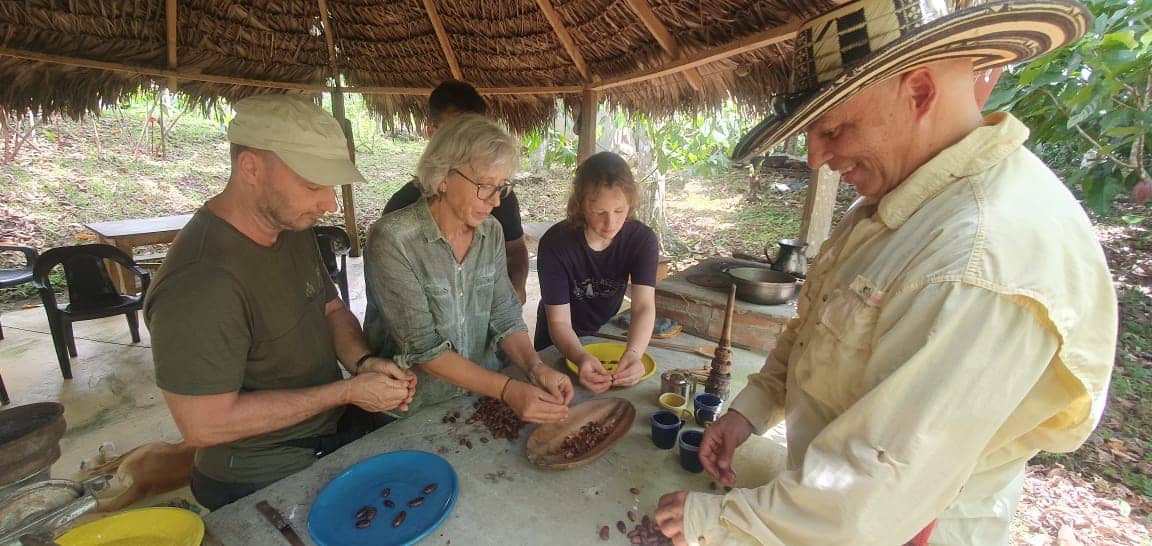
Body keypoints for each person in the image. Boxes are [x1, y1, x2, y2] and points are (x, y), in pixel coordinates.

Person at [655, 1, 1117, 545]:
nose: (815, 157)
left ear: (919, 93)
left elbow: (881, 483)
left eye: (835, 128)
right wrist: (750, 412)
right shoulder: (895, 200)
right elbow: (815, 328)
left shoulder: (980, 257)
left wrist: (722, 523)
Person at [144, 95, 416, 510]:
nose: (330, 203)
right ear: (250, 168)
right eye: (312, 185)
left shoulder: (290, 227)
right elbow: (202, 424)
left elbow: (330, 309)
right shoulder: (201, 282)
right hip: (261, 470)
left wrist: (362, 363)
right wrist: (345, 392)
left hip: (330, 430)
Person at [363, 114, 573, 421]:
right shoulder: (394, 239)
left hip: (478, 398)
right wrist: (508, 390)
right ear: (443, 177)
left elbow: (505, 314)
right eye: (485, 185)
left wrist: (535, 367)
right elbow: (424, 348)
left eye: (501, 187)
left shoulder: (491, 233)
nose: (495, 202)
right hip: (415, 407)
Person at [384, 80, 530, 304]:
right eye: (455, 136)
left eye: (475, 134)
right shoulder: (399, 215)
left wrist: (514, 290)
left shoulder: (496, 208)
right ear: (433, 135)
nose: (494, 200)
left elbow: (514, 251)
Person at [535, 151, 659, 393]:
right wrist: (580, 356)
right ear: (580, 205)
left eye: (619, 211)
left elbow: (644, 306)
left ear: (630, 204)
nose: (610, 223)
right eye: (599, 212)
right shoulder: (556, 244)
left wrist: (634, 353)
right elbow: (559, 321)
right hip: (556, 339)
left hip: (604, 331)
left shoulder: (642, 241)